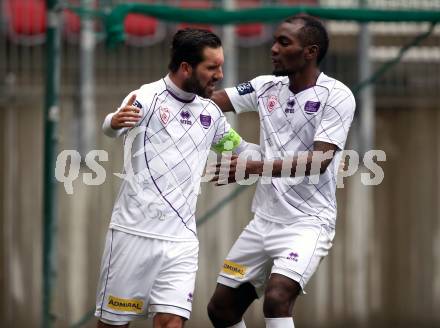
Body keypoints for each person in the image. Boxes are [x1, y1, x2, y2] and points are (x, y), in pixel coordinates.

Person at [95, 29, 257, 328]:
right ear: (186, 67)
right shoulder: (148, 97)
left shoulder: (210, 113)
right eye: (212, 67)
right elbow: (113, 126)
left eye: (221, 66)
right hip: (134, 233)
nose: (220, 74)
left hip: (181, 239)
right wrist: (113, 121)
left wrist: (294, 160)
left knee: (171, 322)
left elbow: (240, 148)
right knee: (113, 324)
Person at [207, 15, 356, 328]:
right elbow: (211, 103)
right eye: (274, 40)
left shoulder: (337, 95)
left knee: (277, 298)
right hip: (263, 222)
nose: (273, 48)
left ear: (310, 51)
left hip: (308, 224)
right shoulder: (265, 87)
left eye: (284, 43)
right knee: (221, 310)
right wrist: (171, 92)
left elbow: (319, 160)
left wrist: (253, 168)